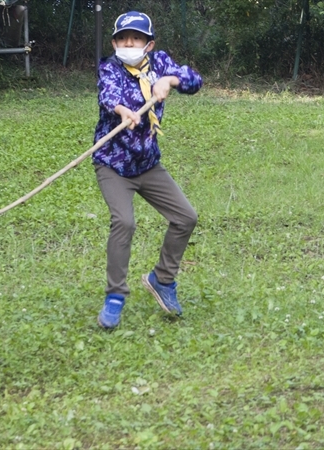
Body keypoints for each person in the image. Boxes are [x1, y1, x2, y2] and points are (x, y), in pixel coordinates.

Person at [94, 11, 203, 329]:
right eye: (123, 38)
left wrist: (169, 80)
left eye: (136, 38)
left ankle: (162, 280)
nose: (129, 43)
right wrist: (123, 110)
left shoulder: (160, 63)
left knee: (186, 217)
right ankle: (115, 296)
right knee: (124, 222)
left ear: (148, 43)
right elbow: (107, 95)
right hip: (113, 164)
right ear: (115, 43)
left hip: (147, 165)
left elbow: (194, 81)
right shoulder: (108, 67)